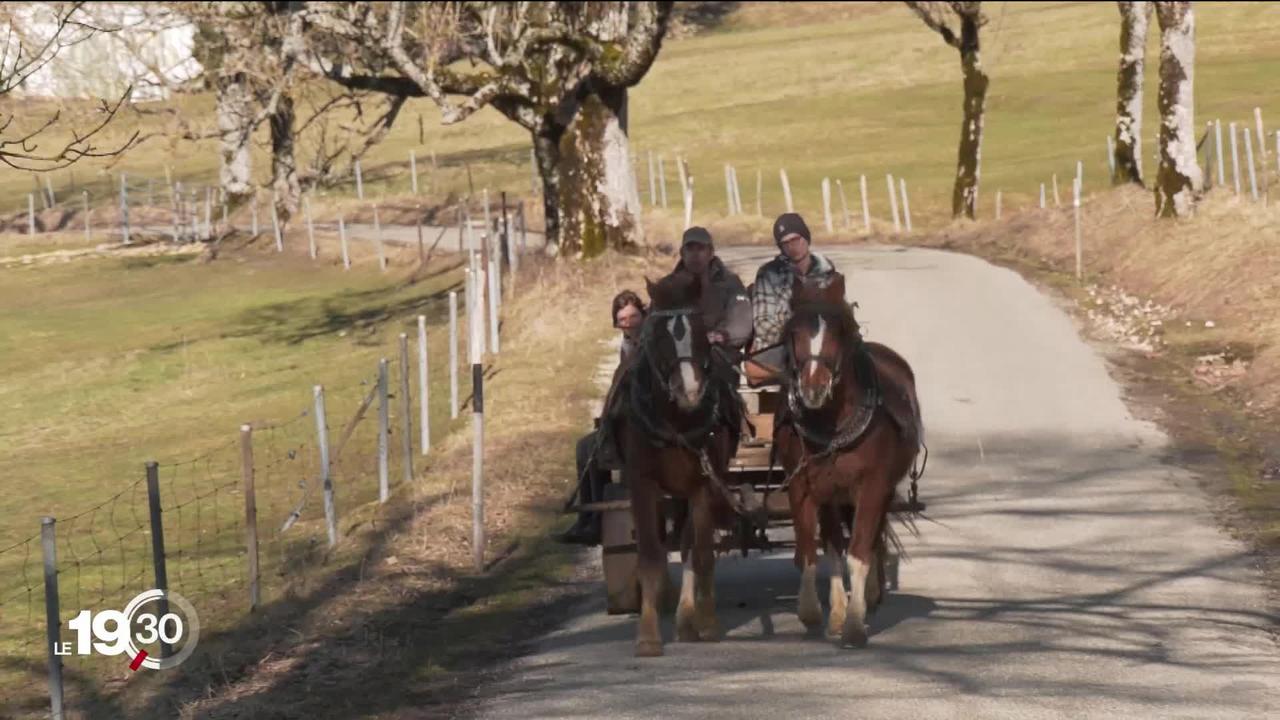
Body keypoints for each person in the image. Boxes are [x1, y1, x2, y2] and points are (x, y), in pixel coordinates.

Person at [560, 290, 647, 545]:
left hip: (647, 422)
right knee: (585, 447)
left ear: (643, 315)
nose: (628, 323)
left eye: (633, 317)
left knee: (596, 447)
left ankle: (596, 520)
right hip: (628, 416)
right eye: (623, 320)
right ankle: (590, 517)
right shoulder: (627, 343)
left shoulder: (652, 340)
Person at [746, 212, 839, 383]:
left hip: (819, 347)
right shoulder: (769, 274)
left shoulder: (828, 272)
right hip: (778, 349)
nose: (792, 246)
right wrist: (799, 337)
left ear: (806, 237)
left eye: (795, 239)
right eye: (785, 243)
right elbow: (763, 325)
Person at [672, 226, 753, 354]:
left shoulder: (730, 282)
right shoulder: (668, 286)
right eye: (690, 249)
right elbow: (652, 324)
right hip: (677, 355)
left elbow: (742, 320)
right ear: (682, 253)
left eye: (701, 249)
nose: (695, 254)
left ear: (711, 253)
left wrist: (723, 336)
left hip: (719, 353)